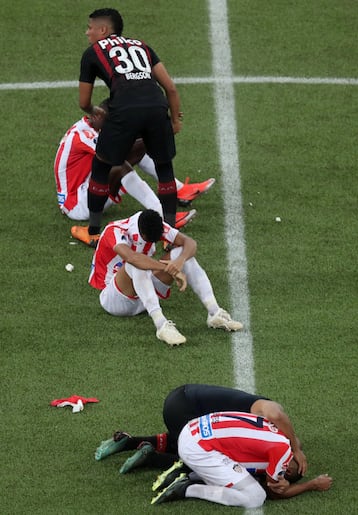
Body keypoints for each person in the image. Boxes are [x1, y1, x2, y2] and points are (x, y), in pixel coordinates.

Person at [72, 8, 185, 246]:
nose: (87, 33)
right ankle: (171, 235)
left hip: (123, 109)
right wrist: (175, 120)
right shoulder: (142, 46)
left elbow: (84, 102)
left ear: (103, 30)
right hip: (156, 105)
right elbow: (171, 88)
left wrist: (93, 110)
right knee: (164, 168)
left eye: (90, 28)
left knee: (102, 166)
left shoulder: (92, 52)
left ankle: (92, 232)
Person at [89, 210, 243, 346]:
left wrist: (179, 262)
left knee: (182, 253)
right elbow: (133, 258)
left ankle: (214, 312)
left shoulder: (155, 225)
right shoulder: (115, 231)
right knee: (137, 263)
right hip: (115, 298)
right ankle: (161, 325)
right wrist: (169, 269)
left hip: (143, 293)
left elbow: (190, 243)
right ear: (142, 234)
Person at [54, 102, 214, 227]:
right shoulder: (83, 136)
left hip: (87, 187)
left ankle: (180, 190)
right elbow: (120, 152)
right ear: (96, 116)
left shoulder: (95, 126)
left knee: (137, 152)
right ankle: (162, 215)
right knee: (120, 166)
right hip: (76, 204)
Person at [94, 384, 307, 477]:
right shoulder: (270, 411)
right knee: (207, 460)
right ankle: (151, 459)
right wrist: (296, 449)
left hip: (180, 400)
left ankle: (128, 441)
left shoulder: (262, 426)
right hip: (186, 407)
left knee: (192, 439)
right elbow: (277, 415)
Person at [151, 411, 333, 507]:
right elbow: (275, 493)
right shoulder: (282, 454)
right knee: (255, 497)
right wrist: (312, 485)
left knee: (241, 472)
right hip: (198, 449)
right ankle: (188, 488)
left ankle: (186, 471)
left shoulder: (278, 433)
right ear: (289, 470)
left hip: (193, 429)